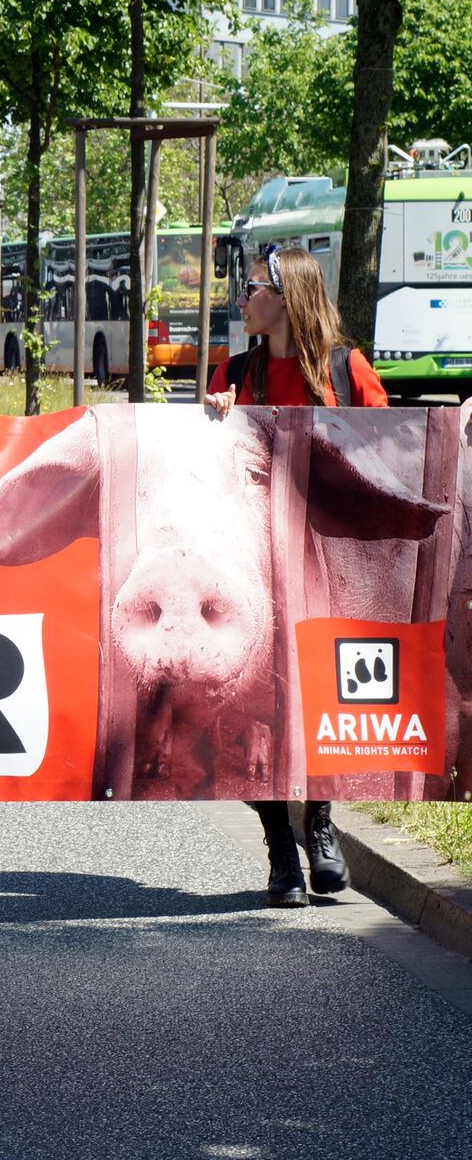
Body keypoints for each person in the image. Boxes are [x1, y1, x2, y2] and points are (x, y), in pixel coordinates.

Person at [205, 245, 385, 907]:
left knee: (325, 701)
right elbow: (207, 465)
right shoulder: (236, 373)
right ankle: (281, 850)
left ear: (284, 298)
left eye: (253, 287)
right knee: (249, 712)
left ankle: (318, 823)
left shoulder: (346, 368)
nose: (244, 297)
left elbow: (397, 443)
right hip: (249, 568)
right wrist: (212, 423)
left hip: (328, 568)